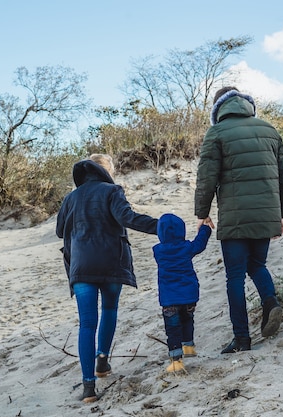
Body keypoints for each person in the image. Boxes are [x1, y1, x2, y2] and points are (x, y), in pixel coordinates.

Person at [194, 86, 283, 354]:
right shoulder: (269, 130)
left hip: (235, 218)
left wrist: (202, 213)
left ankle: (241, 339)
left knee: (234, 277)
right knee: (258, 265)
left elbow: (207, 177)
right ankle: (270, 303)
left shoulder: (216, 133)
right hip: (266, 213)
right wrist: (281, 214)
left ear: (217, 109)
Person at [56, 153, 158, 402]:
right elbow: (127, 218)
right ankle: (102, 360)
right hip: (112, 262)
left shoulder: (71, 198)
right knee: (110, 310)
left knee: (87, 324)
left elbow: (60, 231)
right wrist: (161, 225)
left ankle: (89, 387)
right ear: (107, 170)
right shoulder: (112, 190)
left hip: (81, 266)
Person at [152, 213, 211, 373]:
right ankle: (189, 346)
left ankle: (176, 360)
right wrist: (205, 228)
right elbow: (200, 244)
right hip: (189, 295)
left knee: (172, 329)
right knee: (187, 319)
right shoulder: (186, 247)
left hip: (169, 299)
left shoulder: (158, 251)